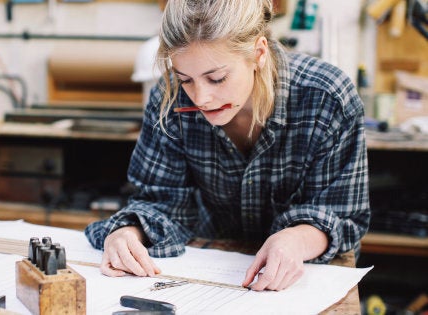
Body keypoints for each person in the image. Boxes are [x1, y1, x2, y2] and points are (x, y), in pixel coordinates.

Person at [84, 0, 370, 292]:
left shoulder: (326, 99)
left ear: (258, 53)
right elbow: (161, 202)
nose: (201, 97)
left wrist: (296, 240)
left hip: (309, 281)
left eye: (217, 78)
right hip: (211, 276)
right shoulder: (171, 100)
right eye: (186, 79)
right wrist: (127, 233)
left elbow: (343, 214)